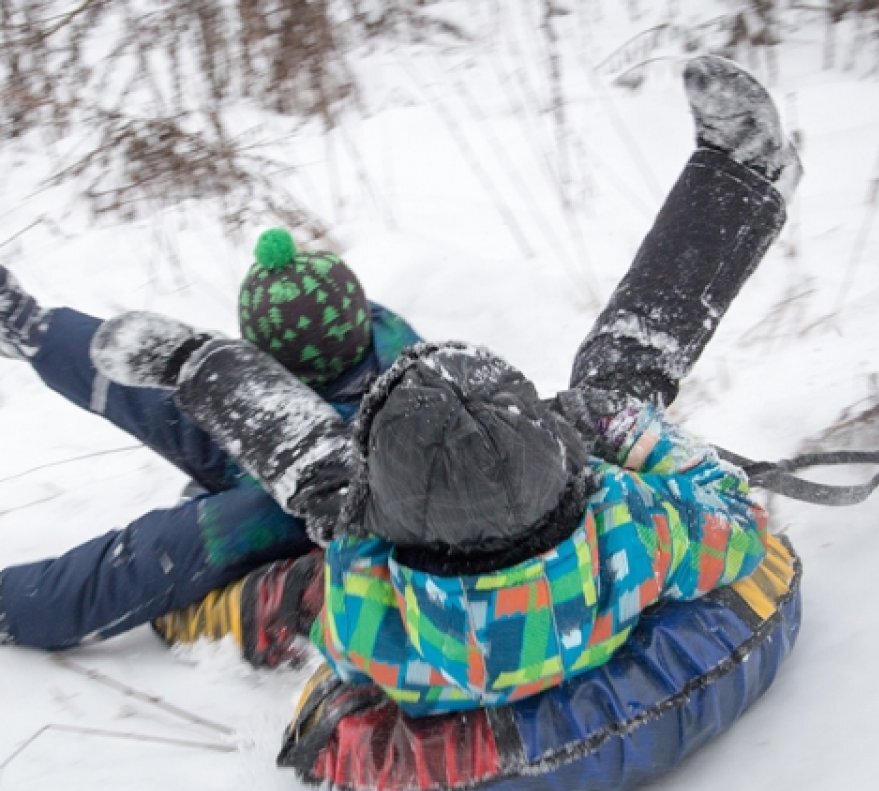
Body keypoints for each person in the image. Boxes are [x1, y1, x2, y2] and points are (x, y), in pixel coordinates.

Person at [84, 55, 804, 715]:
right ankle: (740, 181)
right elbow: (735, 520)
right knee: (618, 377)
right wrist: (620, 431)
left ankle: (190, 361)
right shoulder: (632, 532)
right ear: (560, 466)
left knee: (321, 477)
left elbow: (348, 589)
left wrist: (363, 518)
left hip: (419, 597)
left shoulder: (392, 634)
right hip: (576, 552)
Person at [0, 230, 423, 653]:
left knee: (159, 550)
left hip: (303, 503)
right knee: (162, 391)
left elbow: (129, 568)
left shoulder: (394, 423)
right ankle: (39, 332)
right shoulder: (375, 329)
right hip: (265, 445)